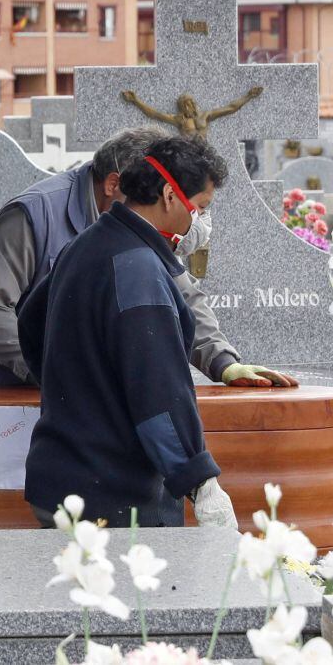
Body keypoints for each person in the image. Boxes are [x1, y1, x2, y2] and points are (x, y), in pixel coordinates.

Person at [0, 126, 297, 390]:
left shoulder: (140, 218)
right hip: (16, 401)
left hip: (95, 407)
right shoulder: (34, 215)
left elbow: (182, 295)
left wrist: (224, 363)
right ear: (113, 184)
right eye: (143, 186)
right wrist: (47, 369)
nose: (154, 198)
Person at [19, 135, 238, 529]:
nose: (201, 223)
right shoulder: (139, 269)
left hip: (60, 477)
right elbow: (158, 391)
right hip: (119, 497)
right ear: (170, 196)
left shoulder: (85, 245)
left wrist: (80, 396)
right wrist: (199, 481)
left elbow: (31, 325)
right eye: (201, 208)